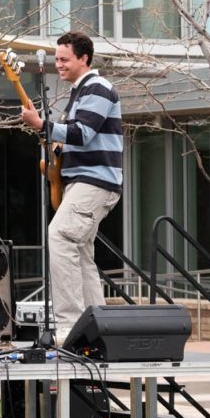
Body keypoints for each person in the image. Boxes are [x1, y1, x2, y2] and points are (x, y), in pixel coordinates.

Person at [19, 30, 123, 343]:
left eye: (64, 59)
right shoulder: (79, 92)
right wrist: (53, 144)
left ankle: (69, 325)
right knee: (80, 251)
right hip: (86, 181)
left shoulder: (98, 88)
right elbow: (70, 141)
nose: (58, 65)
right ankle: (98, 328)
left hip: (95, 181)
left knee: (60, 235)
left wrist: (41, 125)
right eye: (56, 59)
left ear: (84, 58)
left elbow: (83, 133)